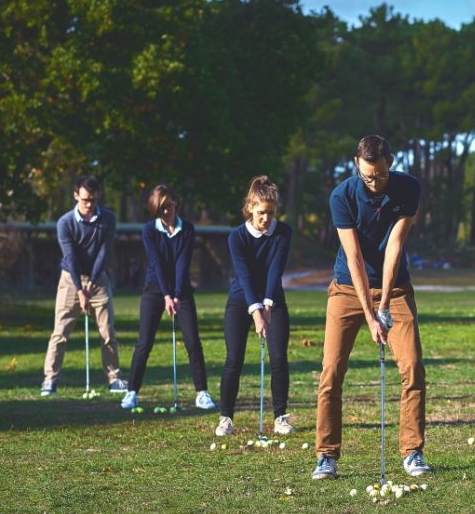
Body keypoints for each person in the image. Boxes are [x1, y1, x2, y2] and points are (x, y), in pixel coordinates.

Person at [312, 135, 431, 480]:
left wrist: (384, 305)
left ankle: (412, 452)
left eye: (379, 175)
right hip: (347, 288)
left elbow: (394, 247)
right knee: (331, 371)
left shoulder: (408, 188)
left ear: (389, 162)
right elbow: (354, 258)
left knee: (413, 367)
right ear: (356, 165)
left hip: (395, 288)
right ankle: (326, 456)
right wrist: (369, 314)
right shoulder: (342, 196)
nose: (375, 183)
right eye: (368, 176)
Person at [121, 185, 214, 410]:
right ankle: (132, 391)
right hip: (155, 288)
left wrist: (177, 294)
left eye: (169, 206)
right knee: (144, 342)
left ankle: (202, 392)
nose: (166, 212)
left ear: (176, 203)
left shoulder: (188, 229)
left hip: (181, 289)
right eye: (161, 208)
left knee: (193, 341)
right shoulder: (149, 230)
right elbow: (157, 264)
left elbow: (182, 263)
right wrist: (166, 295)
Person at [215, 176, 294, 437]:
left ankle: (280, 417)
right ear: (250, 207)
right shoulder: (236, 237)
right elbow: (245, 276)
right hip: (241, 300)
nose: (266, 218)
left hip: (274, 299)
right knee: (233, 360)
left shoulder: (283, 233)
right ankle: (226, 418)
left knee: (279, 359)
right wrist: (256, 311)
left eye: (271, 213)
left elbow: (275, 270)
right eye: (261, 213)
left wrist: (268, 306)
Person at [40, 177, 128, 396]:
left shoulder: (108, 219)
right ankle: (50, 379)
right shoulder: (65, 222)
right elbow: (70, 257)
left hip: (98, 279)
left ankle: (114, 378)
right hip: (71, 279)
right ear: (76, 195)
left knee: (107, 331)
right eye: (86, 199)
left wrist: (91, 285)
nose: (90, 204)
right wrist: (80, 289)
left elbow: (103, 254)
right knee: (60, 332)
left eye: (94, 199)